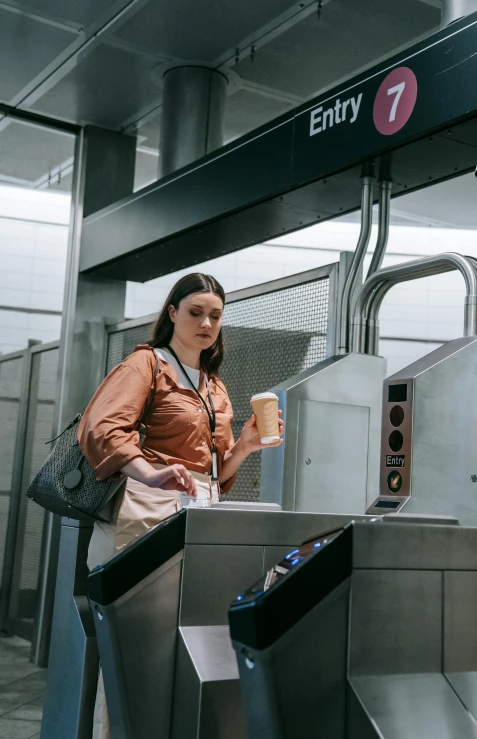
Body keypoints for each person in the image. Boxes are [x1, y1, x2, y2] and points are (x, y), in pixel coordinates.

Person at [78, 272, 283, 739]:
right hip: (143, 511)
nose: (206, 322)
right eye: (196, 312)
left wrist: (247, 445)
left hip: (197, 514)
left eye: (215, 315)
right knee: (134, 646)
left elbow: (216, 474)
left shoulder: (214, 385)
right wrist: (150, 471)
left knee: (179, 640)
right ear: (172, 312)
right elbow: (102, 429)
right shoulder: (146, 364)